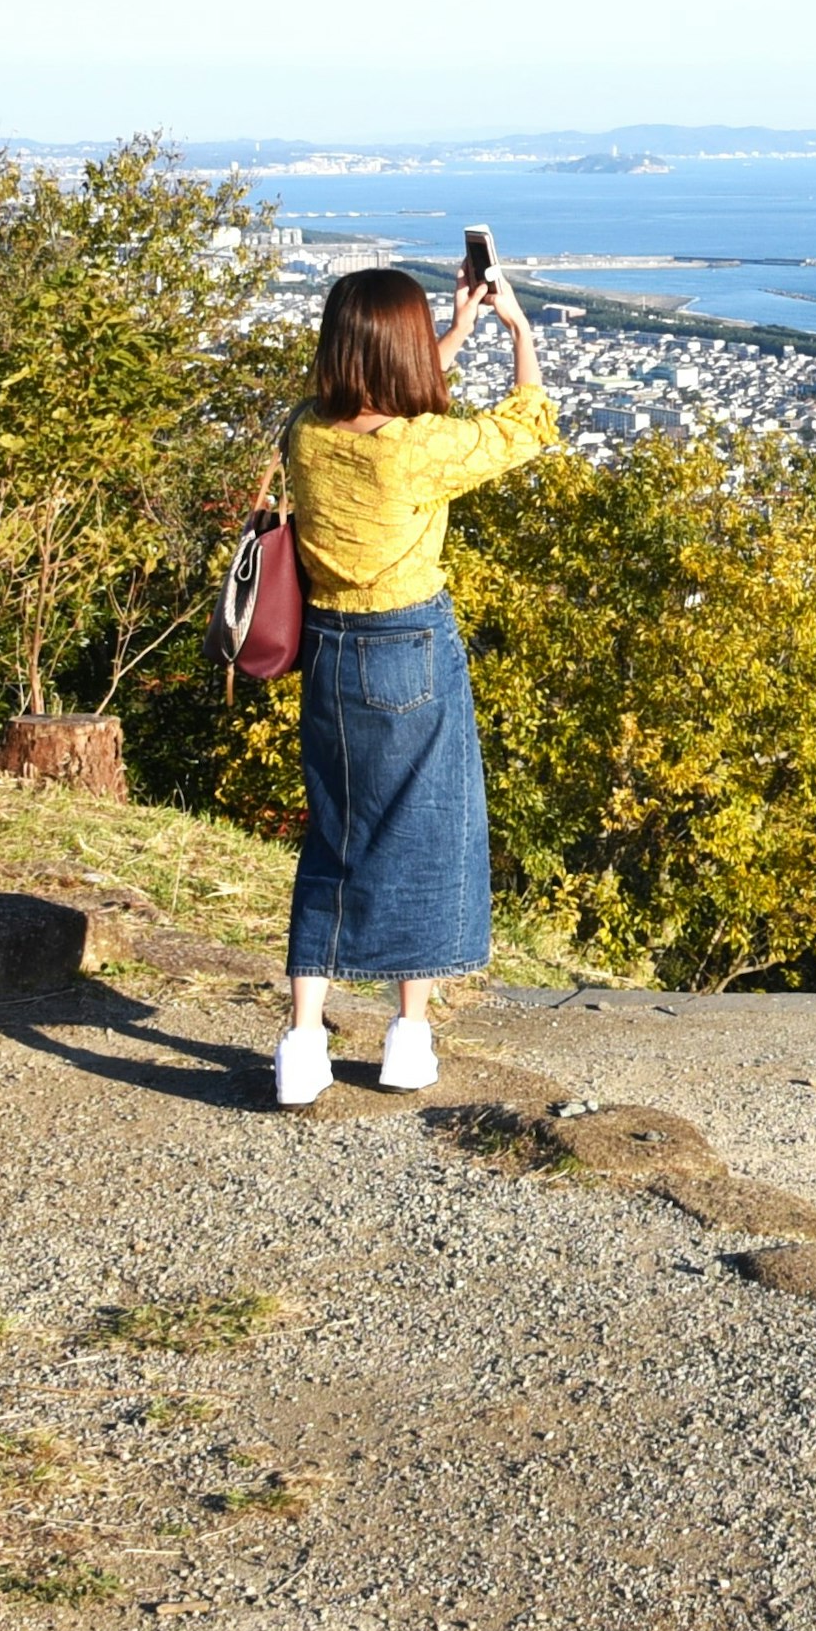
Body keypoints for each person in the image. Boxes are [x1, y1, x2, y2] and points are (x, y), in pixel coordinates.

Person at [270, 259, 556, 1108]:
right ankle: (407, 1037)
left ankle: (300, 1044)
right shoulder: (416, 452)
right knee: (425, 833)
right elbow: (527, 426)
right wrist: (517, 333)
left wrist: (455, 332)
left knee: (336, 832)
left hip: (326, 650)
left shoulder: (303, 432)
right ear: (401, 351)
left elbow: (379, 396)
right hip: (412, 649)